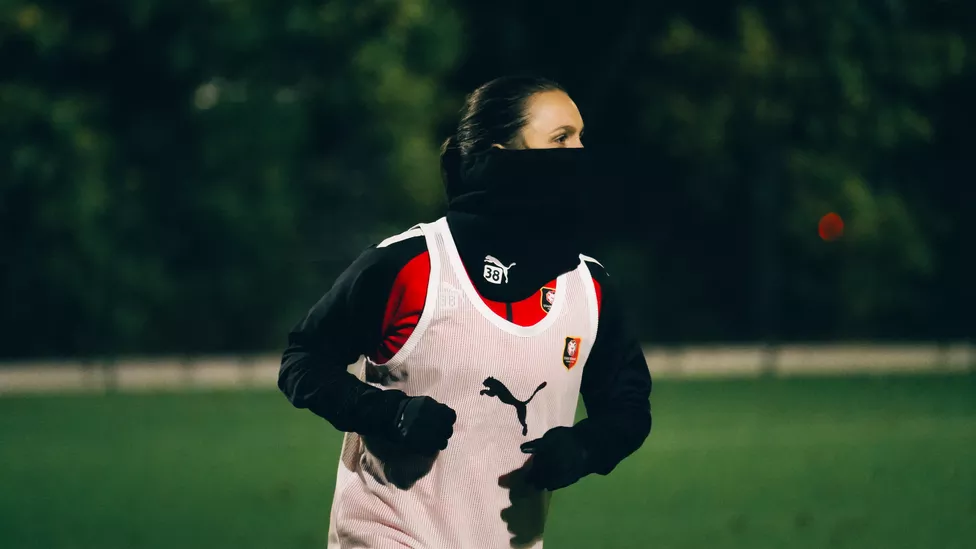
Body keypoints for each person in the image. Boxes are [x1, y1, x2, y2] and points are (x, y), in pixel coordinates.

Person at [279, 75, 652, 549]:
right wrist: (386, 414)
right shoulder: (411, 265)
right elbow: (303, 361)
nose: (579, 153)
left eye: (580, 137)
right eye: (560, 138)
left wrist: (586, 447)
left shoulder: (590, 288)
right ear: (503, 155)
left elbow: (628, 406)